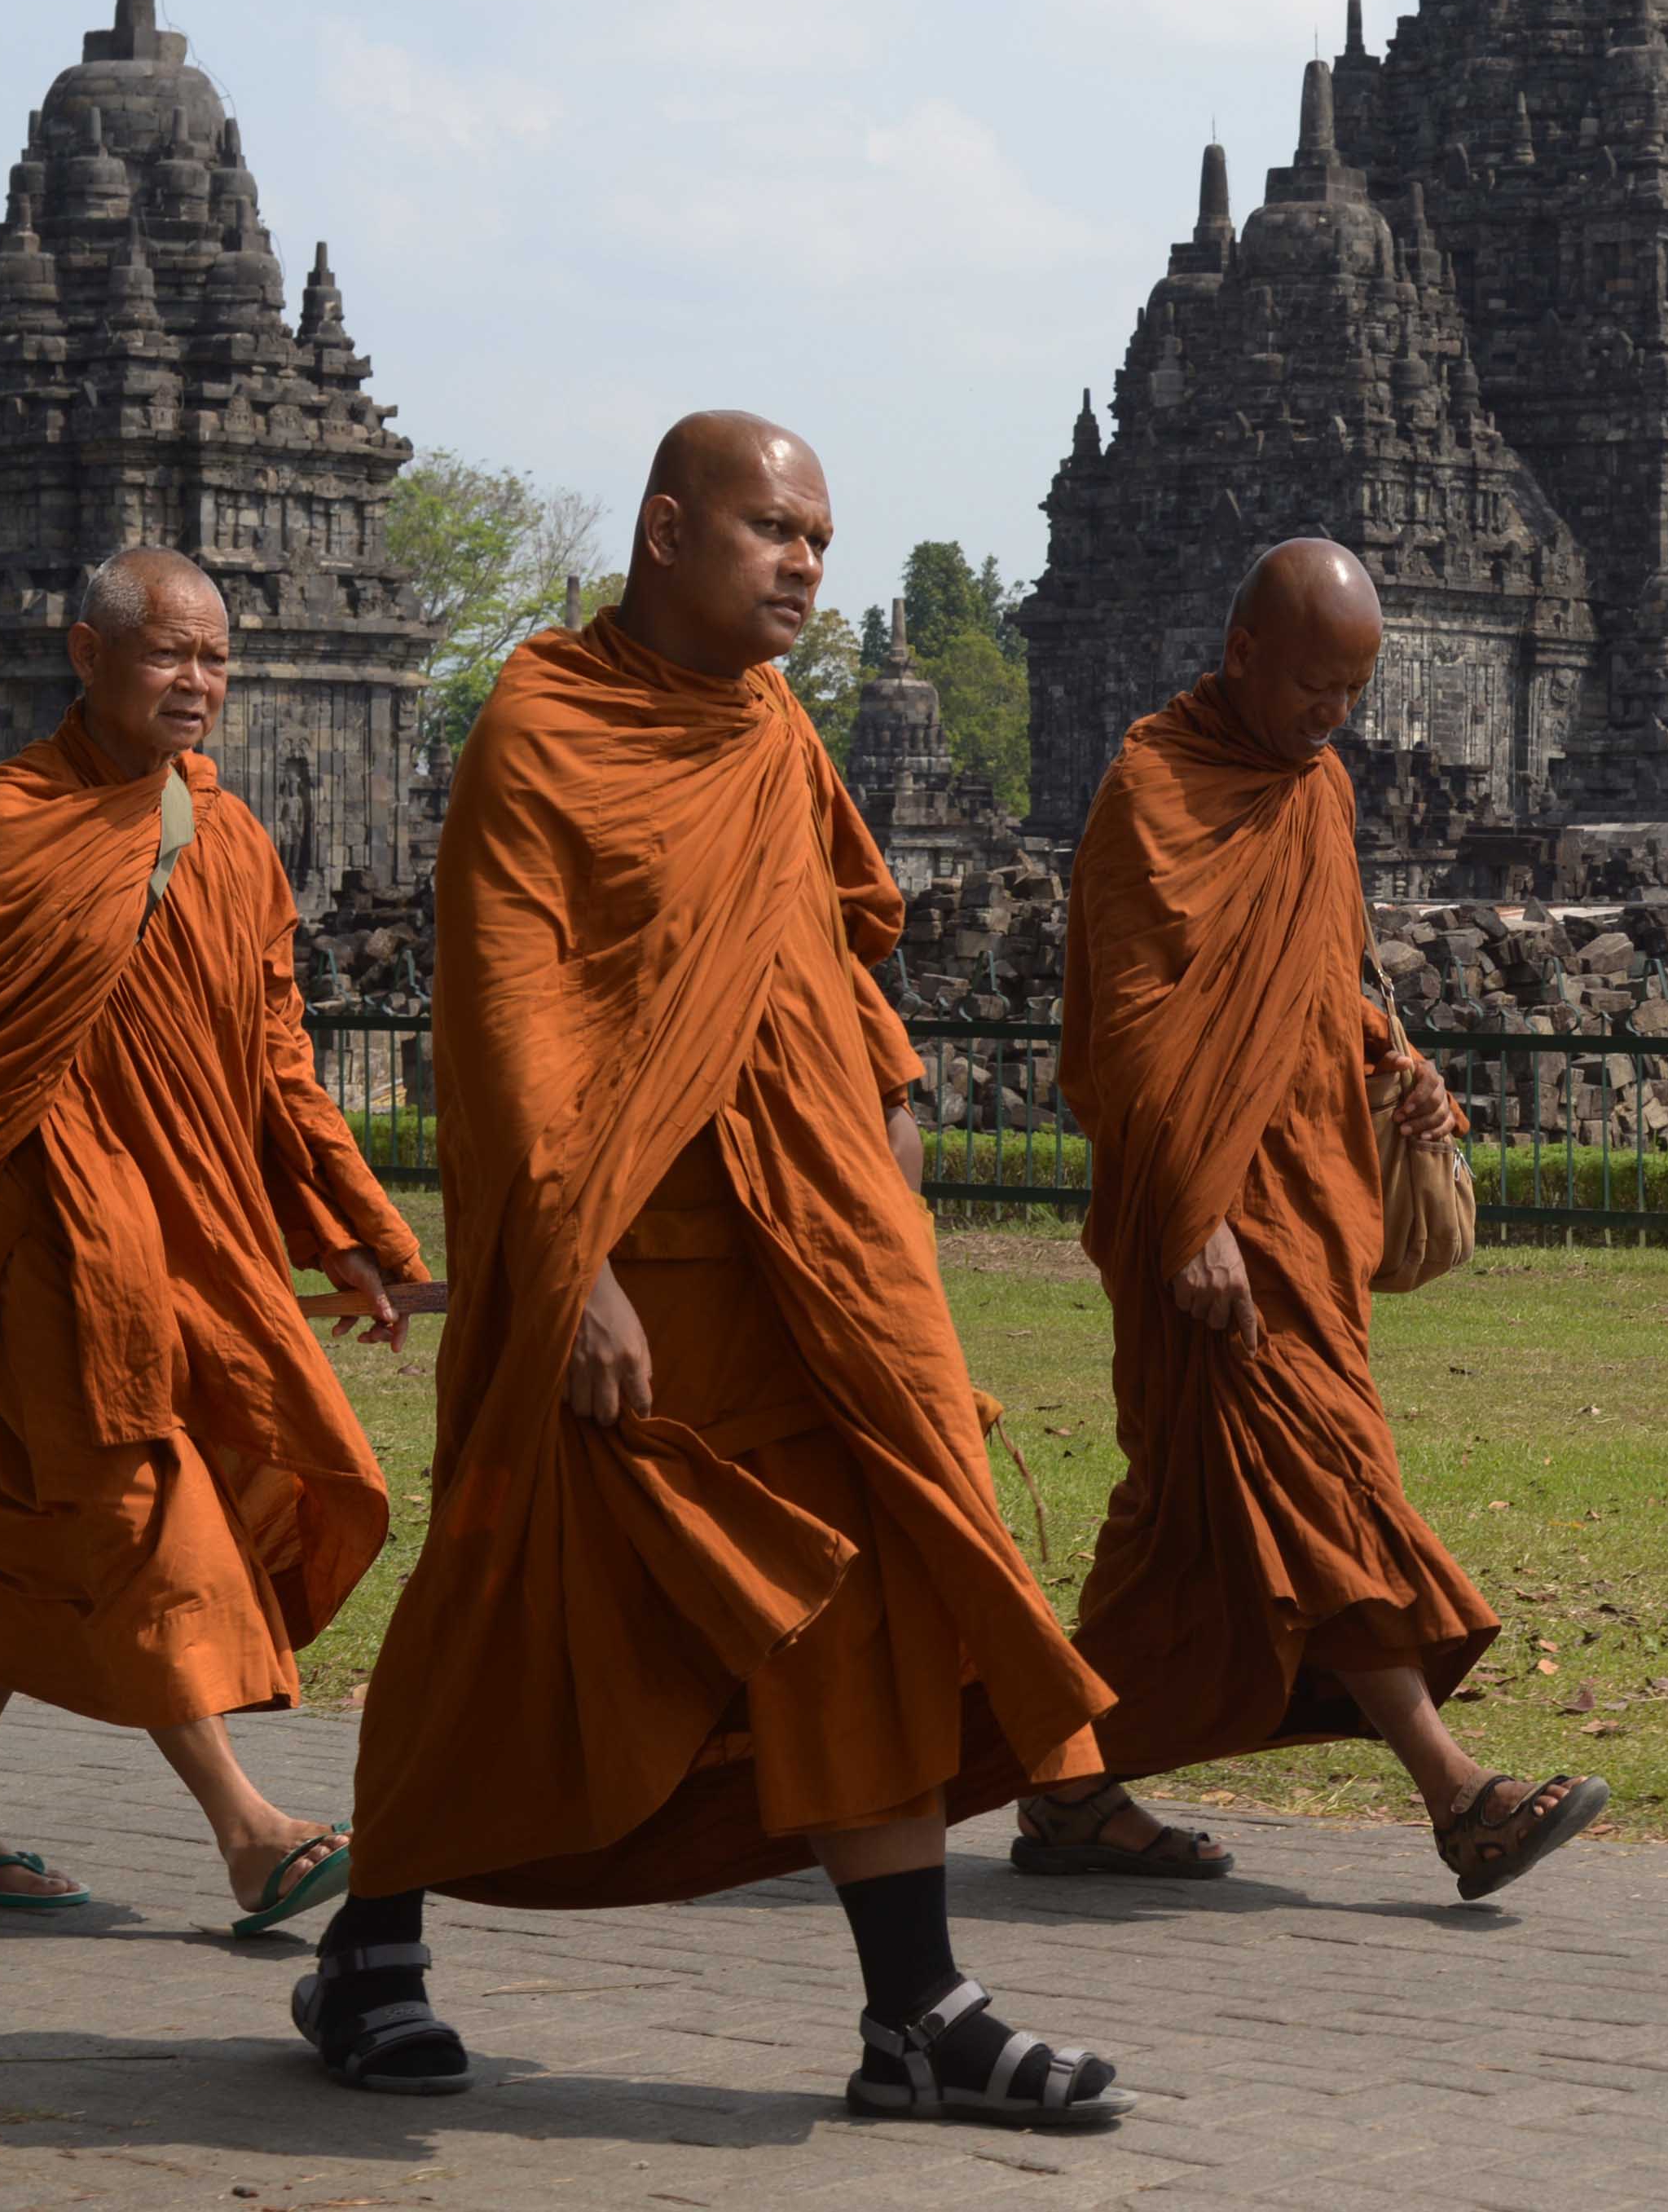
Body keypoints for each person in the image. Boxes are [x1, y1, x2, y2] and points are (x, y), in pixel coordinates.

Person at [308, 412, 1131, 2128]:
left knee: (880, 1582)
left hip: (809, 1257)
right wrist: (571, 1261)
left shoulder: (769, 735)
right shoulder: (544, 731)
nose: (807, 565)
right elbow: (512, 1025)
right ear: (668, 531)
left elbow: (828, 941)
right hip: (636, 1268)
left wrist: (892, 1086)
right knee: (522, 1599)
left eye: (821, 538)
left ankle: (918, 2010)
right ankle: (370, 1944)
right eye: (774, 530)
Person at [0, 547, 422, 1932]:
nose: (199, 682)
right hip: (51, 1227)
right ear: (87, 657)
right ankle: (250, 1826)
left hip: (188, 1224)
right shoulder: (4, 832)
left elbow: (277, 1061)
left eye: (216, 659)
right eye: (169, 655)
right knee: (124, 1489)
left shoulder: (231, 838)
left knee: (31, 1511)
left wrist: (356, 1230)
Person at [985, 536, 1604, 1900]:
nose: (1336, 713)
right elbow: (1134, 1035)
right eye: (1315, 681)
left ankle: (1067, 1781)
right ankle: (1459, 1793)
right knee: (1317, 1478)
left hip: (1310, 1200)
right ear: (1244, 651)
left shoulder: (1314, 788)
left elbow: (1321, 976)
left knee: (1183, 1519)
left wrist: (1395, 1061)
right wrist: (1192, 1213)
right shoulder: (1156, 789)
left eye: (1356, 688)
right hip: (1216, 1220)